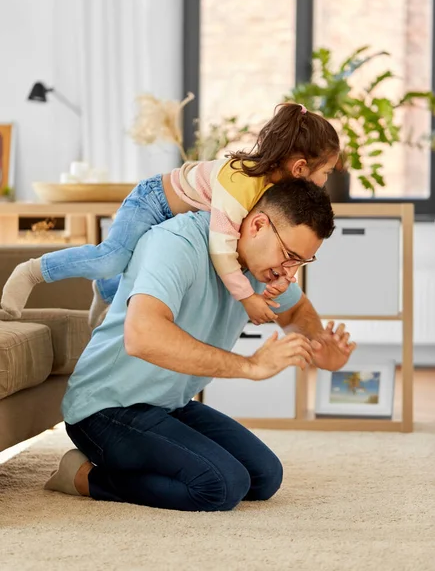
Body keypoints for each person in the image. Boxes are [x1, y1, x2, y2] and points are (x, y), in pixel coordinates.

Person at [44, 178, 356, 512]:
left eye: (301, 262)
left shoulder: (261, 269)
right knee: (220, 486)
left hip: (168, 404)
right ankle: (82, 477)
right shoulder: (178, 243)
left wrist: (318, 343)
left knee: (265, 476)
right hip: (105, 408)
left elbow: (296, 310)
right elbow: (142, 336)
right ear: (258, 225)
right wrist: (251, 366)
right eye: (289, 256)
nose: (289, 273)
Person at [1, 103, 339, 326]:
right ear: (299, 167)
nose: (325, 182)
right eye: (326, 172)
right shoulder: (242, 183)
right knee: (112, 257)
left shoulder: (273, 192)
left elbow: (266, 241)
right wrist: (247, 298)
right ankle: (32, 272)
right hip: (152, 201)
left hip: (175, 213)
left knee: (133, 262)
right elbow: (222, 250)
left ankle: (104, 290)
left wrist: (283, 276)